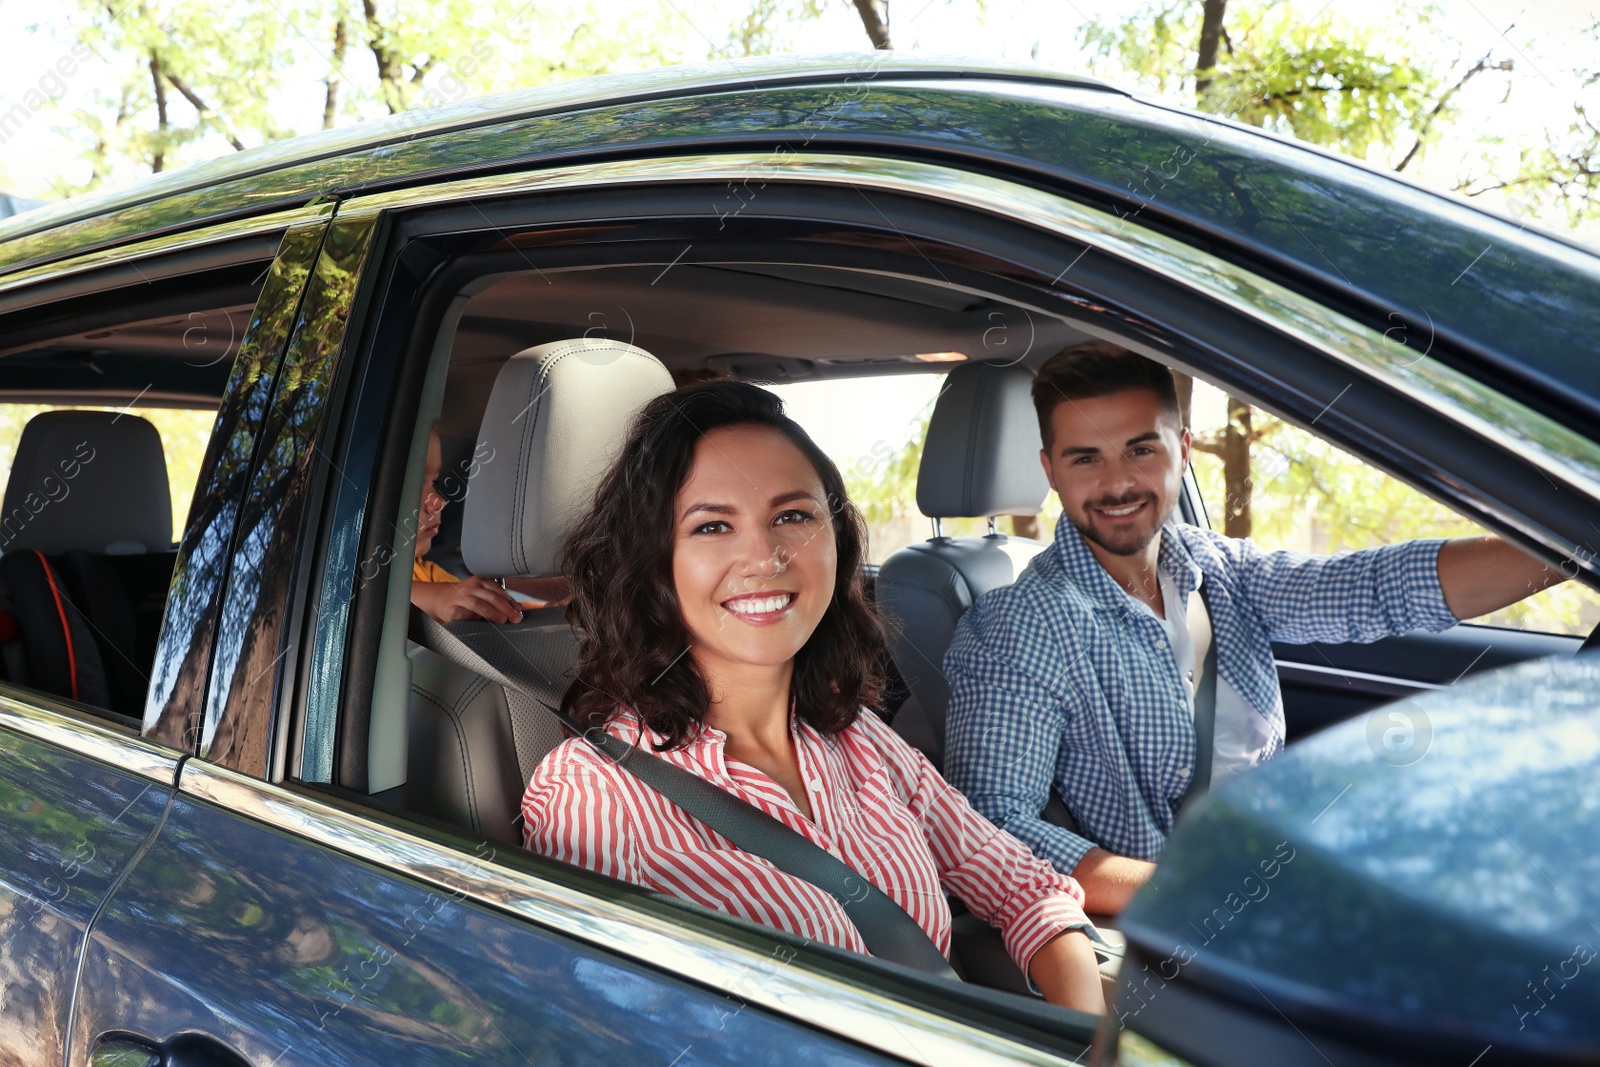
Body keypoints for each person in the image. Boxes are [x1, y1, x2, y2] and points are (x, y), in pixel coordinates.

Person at [521, 382, 1107, 1014]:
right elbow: (613, 1033)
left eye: (792, 516)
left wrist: (1084, 1036)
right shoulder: (596, 796)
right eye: (712, 526)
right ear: (655, 563)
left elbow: (1027, 890)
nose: (765, 557)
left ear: (837, 541)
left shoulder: (860, 740)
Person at [944, 342, 1565, 915]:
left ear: (1181, 450)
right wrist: (1190, 889)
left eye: (1141, 449)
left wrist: (1571, 547)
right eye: (1086, 459)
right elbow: (992, 824)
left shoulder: (1217, 567)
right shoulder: (1019, 626)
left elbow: (1376, 588)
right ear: (1051, 471)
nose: (1118, 483)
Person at [410, 425, 525, 625]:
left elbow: (476, 604)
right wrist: (438, 599)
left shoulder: (427, 572)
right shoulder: (355, 576)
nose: (439, 501)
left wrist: (546, 610)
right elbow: (375, 593)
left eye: (434, 483)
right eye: (414, 483)